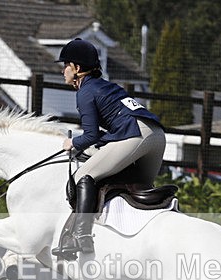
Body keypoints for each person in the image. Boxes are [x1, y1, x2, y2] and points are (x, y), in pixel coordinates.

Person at [53, 38, 166, 256]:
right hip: (157, 136)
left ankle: (81, 235)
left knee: (83, 176)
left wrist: (72, 143)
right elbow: (105, 135)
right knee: (136, 187)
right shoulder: (105, 86)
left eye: (65, 65)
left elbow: (91, 135)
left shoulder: (85, 92)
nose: (62, 71)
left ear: (77, 68)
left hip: (135, 134)